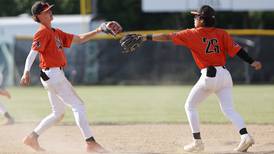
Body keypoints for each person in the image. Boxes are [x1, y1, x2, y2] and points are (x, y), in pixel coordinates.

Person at [121, 5, 262, 153]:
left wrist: (145, 37)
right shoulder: (221, 33)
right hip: (225, 76)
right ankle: (245, 136)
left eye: (196, 16)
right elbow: (238, 50)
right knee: (229, 110)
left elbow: (167, 36)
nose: (194, 19)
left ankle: (197, 142)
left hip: (209, 76)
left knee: (190, 106)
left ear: (202, 20)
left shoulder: (192, 34)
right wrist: (252, 61)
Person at [20, 1, 122, 152]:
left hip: (52, 75)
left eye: (50, 10)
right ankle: (90, 143)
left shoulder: (55, 32)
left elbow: (80, 39)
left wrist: (99, 29)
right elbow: (32, 53)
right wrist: (26, 71)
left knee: (58, 113)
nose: (50, 12)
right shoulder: (42, 32)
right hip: (53, 74)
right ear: (38, 16)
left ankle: (32, 137)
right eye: (46, 11)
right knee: (78, 105)